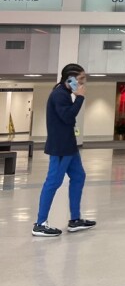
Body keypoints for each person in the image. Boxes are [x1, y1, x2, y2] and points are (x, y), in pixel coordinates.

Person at [32, 63, 96, 237]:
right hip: (61, 147)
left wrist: (76, 96)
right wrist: (80, 98)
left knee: (79, 176)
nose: (83, 83)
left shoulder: (65, 93)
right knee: (53, 182)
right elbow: (68, 117)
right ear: (70, 79)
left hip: (69, 146)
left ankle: (75, 219)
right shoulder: (60, 94)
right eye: (80, 79)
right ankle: (40, 223)